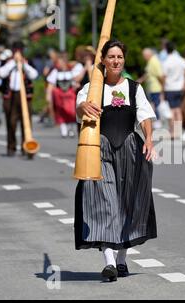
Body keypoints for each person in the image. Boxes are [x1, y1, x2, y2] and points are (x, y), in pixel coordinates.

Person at [75, 40, 157, 282]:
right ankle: (109, 262)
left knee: (128, 203)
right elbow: (79, 108)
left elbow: (145, 116)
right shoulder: (92, 88)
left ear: (124, 59)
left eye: (119, 56)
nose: (115, 60)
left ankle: (122, 259)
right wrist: (84, 106)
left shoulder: (134, 88)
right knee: (106, 201)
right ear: (103, 60)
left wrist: (149, 139)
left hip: (130, 148)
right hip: (99, 148)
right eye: (111, 56)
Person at [0, 41, 38, 157]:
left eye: (19, 50)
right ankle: (11, 147)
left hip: (25, 96)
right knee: (11, 122)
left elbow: (34, 75)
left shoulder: (28, 62)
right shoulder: (7, 62)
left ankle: (26, 147)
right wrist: (12, 63)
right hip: (10, 96)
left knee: (26, 123)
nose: (18, 52)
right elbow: (1, 74)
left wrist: (24, 65)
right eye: (16, 50)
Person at [46, 52, 82, 138]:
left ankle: (71, 129)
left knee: (72, 112)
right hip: (59, 95)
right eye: (58, 62)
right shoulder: (55, 72)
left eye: (61, 62)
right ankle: (64, 130)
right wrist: (48, 95)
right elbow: (50, 84)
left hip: (70, 95)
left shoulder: (71, 71)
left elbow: (75, 81)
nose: (59, 64)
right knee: (61, 112)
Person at [162, 41, 185, 139]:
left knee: (172, 111)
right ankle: (179, 131)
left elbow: (164, 77)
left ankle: (173, 132)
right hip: (179, 87)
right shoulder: (179, 59)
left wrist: (162, 89)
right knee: (178, 110)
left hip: (170, 88)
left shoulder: (166, 61)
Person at [139, 48, 164, 129]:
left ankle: (158, 121)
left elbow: (160, 75)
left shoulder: (154, 61)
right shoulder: (150, 62)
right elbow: (147, 74)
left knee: (156, 105)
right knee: (153, 104)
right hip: (152, 88)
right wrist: (140, 80)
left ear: (148, 54)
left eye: (144, 55)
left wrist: (163, 88)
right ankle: (156, 121)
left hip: (156, 88)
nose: (143, 57)